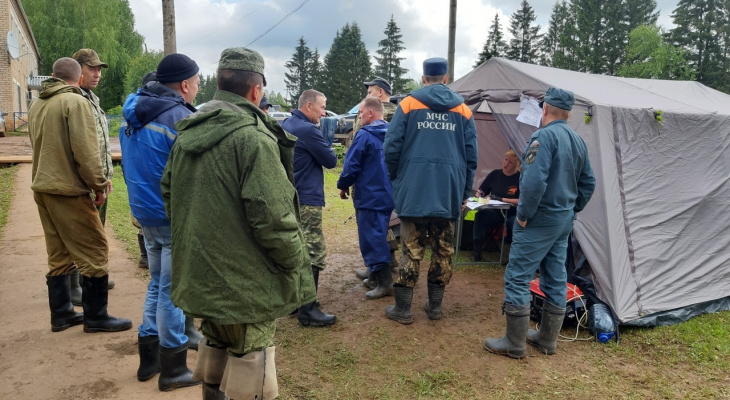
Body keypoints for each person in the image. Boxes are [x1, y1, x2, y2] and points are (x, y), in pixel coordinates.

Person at [161, 47, 315, 400]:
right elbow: (274, 218)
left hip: (203, 270)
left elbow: (170, 193)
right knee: (252, 355)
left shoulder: (188, 132)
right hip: (246, 280)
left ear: (220, 83)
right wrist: (295, 262)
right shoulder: (253, 139)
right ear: (256, 90)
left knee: (216, 337)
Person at [483, 87, 596, 359]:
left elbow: (533, 183)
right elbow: (588, 183)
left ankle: (514, 342)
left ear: (544, 109)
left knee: (518, 276)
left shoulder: (542, 138)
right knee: (555, 275)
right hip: (563, 220)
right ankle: (546, 340)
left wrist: (522, 214)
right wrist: (572, 208)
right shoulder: (578, 141)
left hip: (539, 219)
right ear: (568, 114)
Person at [28, 57, 132, 334]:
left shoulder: (38, 103)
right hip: (69, 191)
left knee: (59, 254)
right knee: (95, 250)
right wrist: (98, 185)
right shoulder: (76, 103)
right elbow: (85, 152)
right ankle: (96, 317)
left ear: (53, 75)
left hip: (43, 188)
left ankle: (61, 314)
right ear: (78, 76)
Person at [120, 53, 202, 391]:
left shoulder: (135, 110)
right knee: (172, 290)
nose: (197, 88)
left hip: (145, 213)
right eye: (197, 83)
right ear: (184, 85)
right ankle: (173, 368)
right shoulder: (179, 118)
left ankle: (149, 360)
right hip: (172, 217)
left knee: (157, 284)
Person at [383, 57, 478, 324]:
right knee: (443, 249)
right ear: (446, 78)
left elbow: (391, 148)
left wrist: (397, 179)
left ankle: (403, 310)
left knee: (411, 250)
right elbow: (472, 157)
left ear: (423, 78)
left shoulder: (409, 104)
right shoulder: (463, 110)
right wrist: (464, 193)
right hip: (447, 193)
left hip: (414, 190)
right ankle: (434, 307)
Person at [280, 89, 338, 328]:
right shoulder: (308, 130)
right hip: (307, 198)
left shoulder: (286, 124)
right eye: (322, 107)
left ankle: (295, 301)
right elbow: (331, 160)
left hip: (289, 196)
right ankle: (309, 308)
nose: (324, 113)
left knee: (296, 248)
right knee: (313, 250)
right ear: (308, 106)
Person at [337, 97, 394, 300]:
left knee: (373, 237)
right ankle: (374, 274)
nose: (359, 117)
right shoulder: (393, 134)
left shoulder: (364, 135)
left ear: (370, 113)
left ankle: (385, 282)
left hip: (370, 196)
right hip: (387, 194)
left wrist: (342, 185)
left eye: (360, 113)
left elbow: (351, 165)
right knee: (378, 234)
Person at [70, 48, 114, 303]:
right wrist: (93, 180)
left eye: (99, 69)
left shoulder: (91, 98)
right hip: (85, 182)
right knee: (82, 235)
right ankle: (77, 283)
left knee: (97, 232)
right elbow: (81, 147)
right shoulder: (74, 99)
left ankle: (93, 278)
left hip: (99, 178)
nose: (97, 73)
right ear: (79, 70)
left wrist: (105, 176)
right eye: (92, 68)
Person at [351, 77, 400, 286]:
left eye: (370, 92)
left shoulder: (393, 114)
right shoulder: (371, 110)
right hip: (366, 177)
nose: (367, 96)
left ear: (380, 92)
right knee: (370, 227)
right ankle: (374, 268)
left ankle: (383, 268)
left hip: (377, 180)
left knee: (380, 227)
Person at [472, 149, 521, 261]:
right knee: (481, 215)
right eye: (505, 160)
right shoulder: (495, 174)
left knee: (516, 223)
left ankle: (514, 257)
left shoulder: (520, 178)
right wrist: (480, 194)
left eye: (510, 162)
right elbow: (482, 190)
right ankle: (477, 252)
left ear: (517, 165)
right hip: (496, 212)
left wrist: (502, 199)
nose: (506, 164)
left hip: (513, 213)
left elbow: (522, 201)